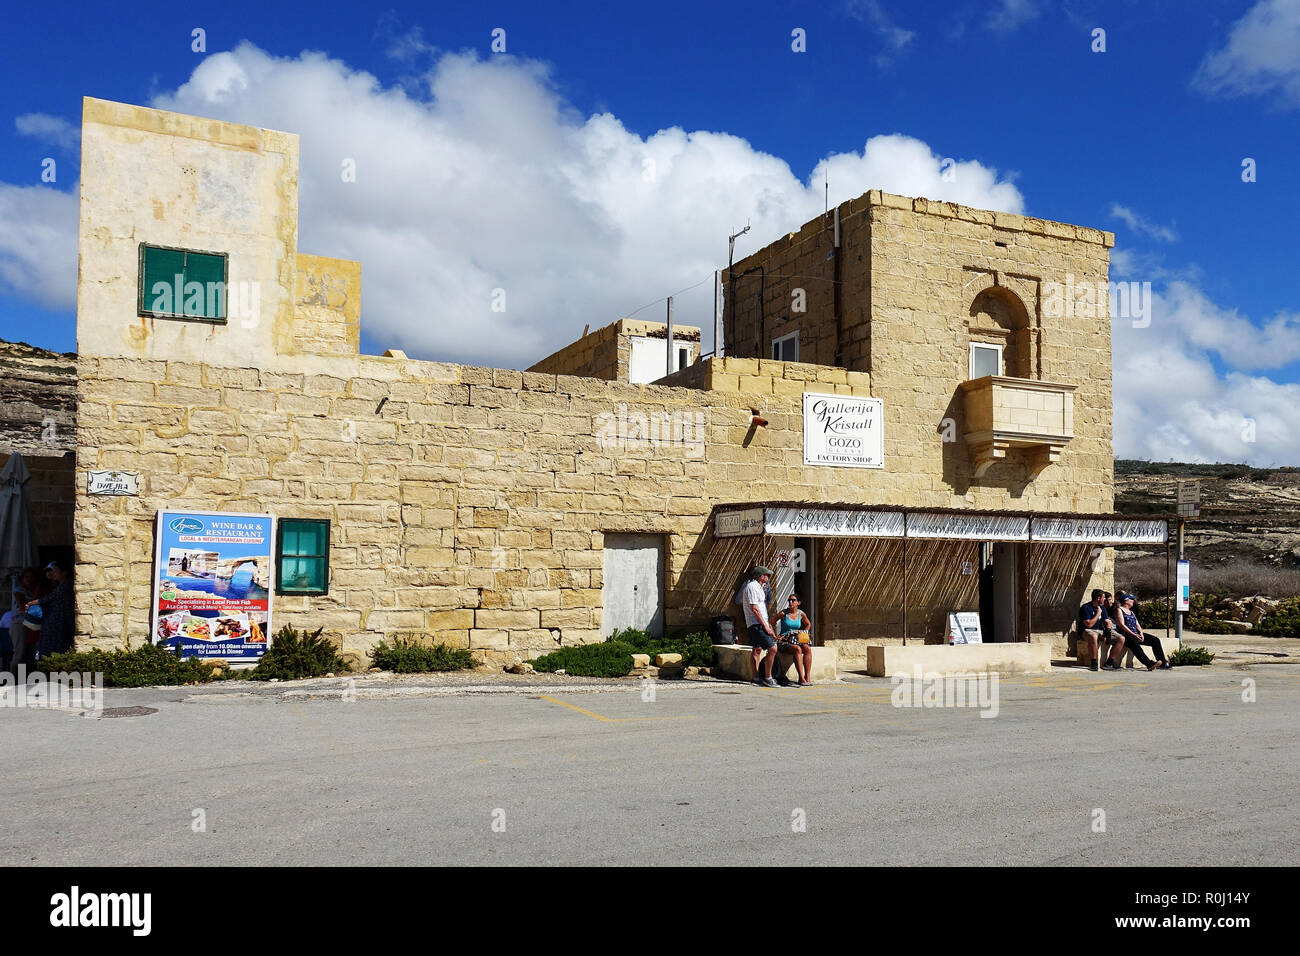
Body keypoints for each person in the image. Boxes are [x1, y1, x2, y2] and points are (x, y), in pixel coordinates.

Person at [740, 566, 780, 687]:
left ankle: (755, 677)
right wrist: (765, 626)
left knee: (756, 650)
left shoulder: (759, 587)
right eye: (766, 575)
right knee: (773, 648)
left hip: (759, 623)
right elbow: (755, 609)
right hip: (756, 623)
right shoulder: (752, 587)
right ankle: (768, 677)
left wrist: (768, 624)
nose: (768, 577)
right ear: (760, 576)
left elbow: (762, 608)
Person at [27, 561, 74, 661]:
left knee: (56, 647)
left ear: (64, 572)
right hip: (54, 622)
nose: (52, 574)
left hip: (60, 622)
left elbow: (50, 598)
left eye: (55, 571)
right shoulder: (59, 585)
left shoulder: (66, 585)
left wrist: (34, 602)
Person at [1114, 592, 1173, 670]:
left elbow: (1137, 624)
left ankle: (1163, 663)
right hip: (1126, 634)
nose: (1133, 601)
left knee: (1155, 640)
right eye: (1131, 599)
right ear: (1126, 601)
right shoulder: (1119, 610)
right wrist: (1134, 634)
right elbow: (1122, 625)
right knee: (1135, 644)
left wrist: (1141, 633)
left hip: (1135, 633)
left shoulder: (1131, 611)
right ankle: (1149, 664)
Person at [1078, 589, 1124, 671]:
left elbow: (1107, 622)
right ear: (1098, 598)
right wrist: (1098, 613)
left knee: (1121, 638)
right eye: (1103, 597)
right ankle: (1094, 663)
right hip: (1087, 630)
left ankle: (1109, 663)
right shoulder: (1086, 607)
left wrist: (1108, 634)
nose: (1105, 599)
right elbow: (1089, 624)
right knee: (1093, 636)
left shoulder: (1102, 607)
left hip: (1100, 631)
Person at [773, 593, 813, 686]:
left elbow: (808, 624)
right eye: (789, 600)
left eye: (793, 600)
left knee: (807, 648)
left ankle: (807, 677)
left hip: (796, 639)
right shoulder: (783, 613)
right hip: (784, 641)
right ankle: (801, 678)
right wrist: (774, 636)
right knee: (797, 649)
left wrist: (804, 632)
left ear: (798, 603)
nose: (790, 602)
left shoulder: (801, 613)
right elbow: (771, 622)